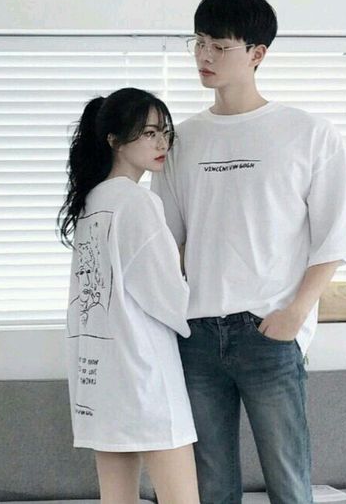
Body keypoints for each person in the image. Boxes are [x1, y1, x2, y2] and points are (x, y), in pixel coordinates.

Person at [151, 0, 346, 504]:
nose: (204, 56)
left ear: (256, 53)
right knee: (212, 487)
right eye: (199, 42)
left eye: (220, 46)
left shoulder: (307, 132)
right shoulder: (181, 141)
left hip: (269, 330)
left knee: (289, 484)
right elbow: (166, 242)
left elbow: (334, 237)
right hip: (196, 333)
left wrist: (295, 314)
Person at [58, 87, 200, 504]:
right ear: (115, 140)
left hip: (99, 377)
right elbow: (168, 298)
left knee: (117, 499)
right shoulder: (137, 202)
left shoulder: (91, 203)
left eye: (165, 133)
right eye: (149, 133)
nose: (162, 143)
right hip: (144, 373)